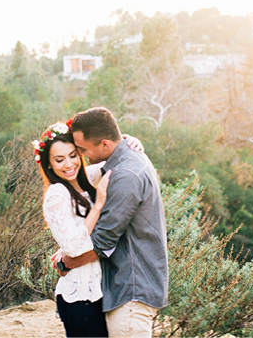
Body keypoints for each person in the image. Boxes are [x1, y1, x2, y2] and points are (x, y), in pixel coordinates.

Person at [57, 107, 168, 338]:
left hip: (132, 289)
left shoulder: (126, 174)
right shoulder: (124, 159)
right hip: (127, 287)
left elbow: (103, 242)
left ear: (105, 144)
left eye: (83, 150)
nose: (82, 155)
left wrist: (66, 263)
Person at [35, 120, 111, 337]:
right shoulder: (57, 194)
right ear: (49, 165)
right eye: (59, 160)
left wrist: (131, 141)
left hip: (101, 293)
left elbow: (115, 153)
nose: (68, 164)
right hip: (80, 298)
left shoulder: (85, 179)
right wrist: (98, 206)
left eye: (73, 155)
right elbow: (74, 247)